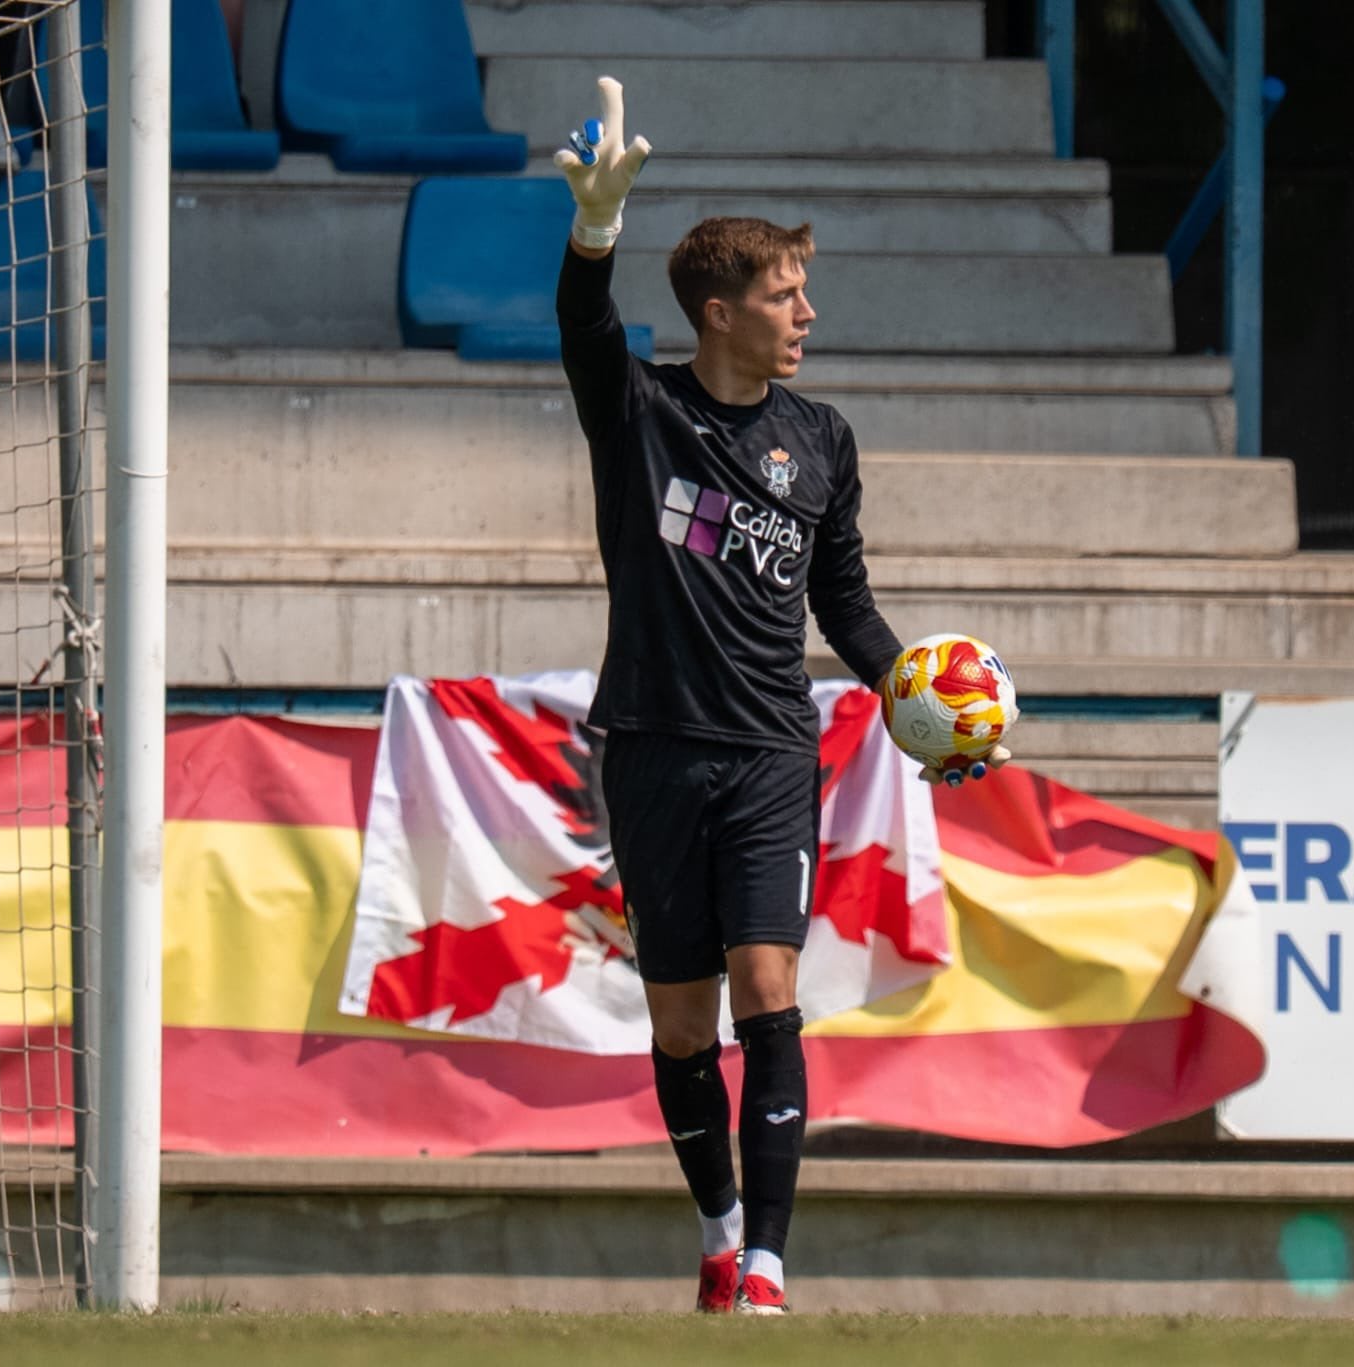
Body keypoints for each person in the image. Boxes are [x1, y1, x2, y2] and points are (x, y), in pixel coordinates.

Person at [552, 77, 1006, 1316]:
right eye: (783, 293)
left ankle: (766, 1269)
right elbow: (583, 329)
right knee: (685, 1026)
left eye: (804, 291)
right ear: (718, 311)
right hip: (649, 747)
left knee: (769, 991)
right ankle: (714, 1228)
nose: (808, 310)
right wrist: (593, 233)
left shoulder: (823, 439)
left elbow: (844, 606)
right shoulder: (639, 411)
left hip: (766, 751)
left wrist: (922, 706)